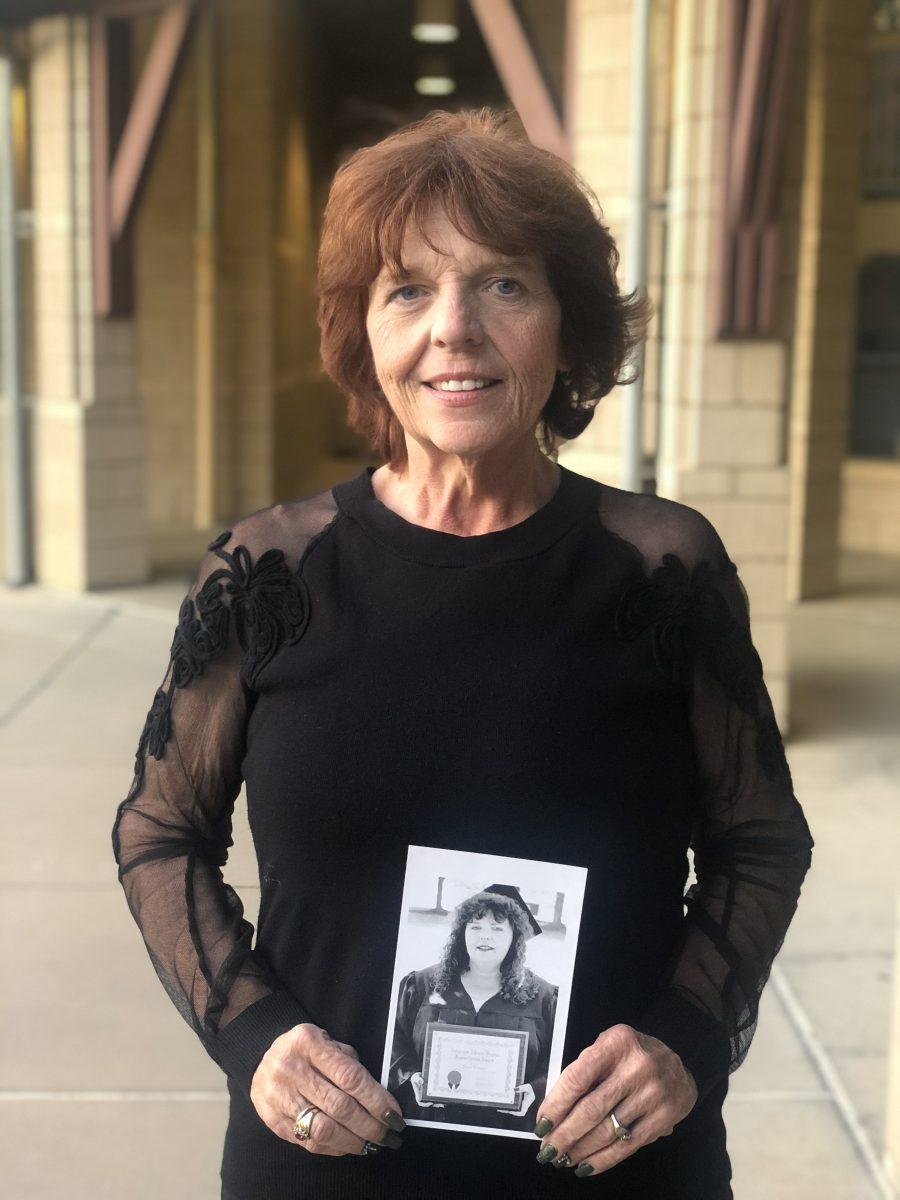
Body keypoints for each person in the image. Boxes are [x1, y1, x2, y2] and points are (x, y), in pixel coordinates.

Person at [111, 108, 814, 1200]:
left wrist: (683, 1037)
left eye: (503, 286)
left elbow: (761, 837)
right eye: (407, 291)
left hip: (611, 1161)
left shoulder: (662, 568)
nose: (454, 329)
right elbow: (159, 831)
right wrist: (253, 1034)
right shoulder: (268, 576)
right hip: (326, 1156)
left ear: (566, 329)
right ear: (366, 334)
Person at [388, 885, 558, 1129]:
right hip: (429, 1127)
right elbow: (394, 1041)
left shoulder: (543, 997)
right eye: (475, 926)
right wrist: (412, 1076)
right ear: (461, 933)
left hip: (507, 1135)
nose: (484, 936)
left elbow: (556, 1062)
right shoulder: (421, 985)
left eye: (497, 928)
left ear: (515, 937)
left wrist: (536, 1089)